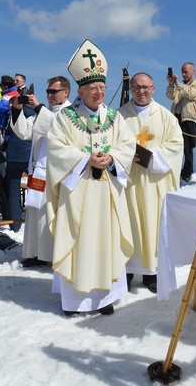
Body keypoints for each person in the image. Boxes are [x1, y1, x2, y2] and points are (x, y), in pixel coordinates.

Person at [46, 39, 135, 316]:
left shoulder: (114, 117)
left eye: (102, 88)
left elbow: (127, 144)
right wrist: (85, 158)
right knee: (80, 240)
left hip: (106, 189)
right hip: (79, 190)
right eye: (93, 89)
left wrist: (111, 158)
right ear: (81, 91)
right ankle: (74, 301)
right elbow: (56, 147)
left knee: (105, 242)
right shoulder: (66, 117)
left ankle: (104, 299)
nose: (99, 93)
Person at [119, 72, 183, 293]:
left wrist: (148, 157)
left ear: (153, 89)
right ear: (131, 90)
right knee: (127, 225)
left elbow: (176, 147)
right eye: (137, 87)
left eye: (146, 87)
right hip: (127, 182)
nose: (141, 91)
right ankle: (125, 272)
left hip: (155, 184)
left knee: (154, 226)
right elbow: (108, 143)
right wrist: (124, 155)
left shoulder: (166, 117)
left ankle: (152, 273)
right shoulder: (118, 116)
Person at [14, 75, 71, 267]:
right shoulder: (45, 112)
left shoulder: (71, 112)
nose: (50, 95)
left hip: (55, 172)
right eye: (48, 92)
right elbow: (25, 132)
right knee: (34, 211)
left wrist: (39, 107)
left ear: (66, 92)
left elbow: (56, 128)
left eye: (54, 91)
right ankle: (35, 252)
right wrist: (17, 110)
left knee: (49, 213)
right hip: (37, 170)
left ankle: (51, 254)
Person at [166, 62, 196, 182]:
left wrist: (178, 84)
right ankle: (176, 170)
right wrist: (171, 84)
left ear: (193, 71)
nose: (183, 74)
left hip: (188, 119)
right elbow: (170, 95)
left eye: (186, 71)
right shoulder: (181, 86)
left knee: (188, 147)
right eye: (183, 71)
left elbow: (191, 93)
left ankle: (187, 172)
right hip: (177, 118)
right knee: (175, 145)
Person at [3, 96, 33, 233]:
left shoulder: (12, 116)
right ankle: (33, 221)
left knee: (13, 191)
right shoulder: (34, 115)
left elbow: (7, 134)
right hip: (29, 156)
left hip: (13, 156)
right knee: (34, 190)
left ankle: (15, 225)